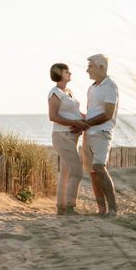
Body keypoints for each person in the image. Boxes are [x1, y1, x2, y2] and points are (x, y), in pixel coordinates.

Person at [80, 54, 119, 216]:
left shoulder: (110, 86)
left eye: (90, 66)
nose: (87, 69)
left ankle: (113, 209)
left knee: (99, 167)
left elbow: (108, 114)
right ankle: (101, 209)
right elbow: (91, 112)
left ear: (101, 67)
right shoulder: (92, 88)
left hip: (102, 132)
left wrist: (86, 123)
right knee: (93, 172)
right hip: (88, 133)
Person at [48, 63, 87, 215]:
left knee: (65, 172)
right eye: (66, 71)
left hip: (72, 136)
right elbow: (53, 116)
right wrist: (75, 123)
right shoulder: (55, 92)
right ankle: (70, 208)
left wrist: (89, 120)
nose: (70, 73)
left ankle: (61, 207)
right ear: (59, 74)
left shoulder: (68, 92)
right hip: (62, 135)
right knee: (76, 171)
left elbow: (76, 113)